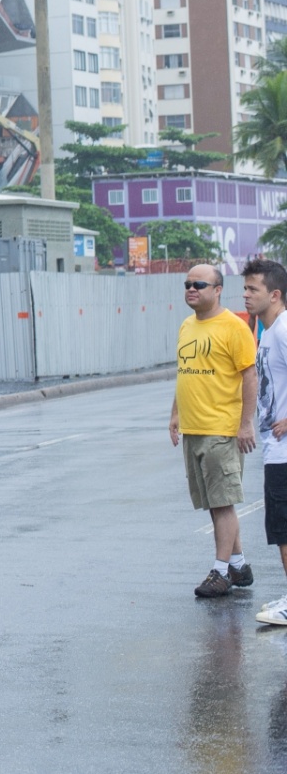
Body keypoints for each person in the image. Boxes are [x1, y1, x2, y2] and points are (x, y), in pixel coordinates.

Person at [172, 263, 259, 597]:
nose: (192, 289)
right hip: (194, 427)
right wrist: (175, 413)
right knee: (214, 501)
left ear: (218, 290)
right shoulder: (186, 326)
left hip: (221, 428)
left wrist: (245, 423)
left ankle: (220, 572)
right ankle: (237, 564)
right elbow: (185, 372)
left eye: (200, 284)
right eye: (188, 284)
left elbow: (249, 376)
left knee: (223, 502)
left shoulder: (233, 327)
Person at [245, 259, 287, 624]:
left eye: (252, 289)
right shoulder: (267, 330)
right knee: (281, 527)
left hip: (286, 450)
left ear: (274, 295)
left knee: (285, 527)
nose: (245, 295)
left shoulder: (285, 329)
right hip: (276, 450)